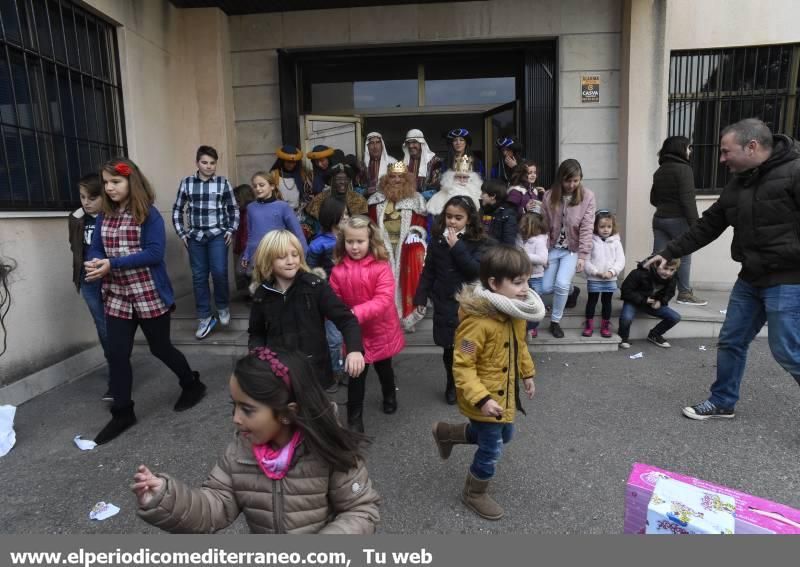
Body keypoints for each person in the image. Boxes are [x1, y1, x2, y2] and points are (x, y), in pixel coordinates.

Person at [646, 118, 800, 421]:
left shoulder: (795, 172)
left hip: (788, 279)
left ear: (752, 146)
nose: (722, 159)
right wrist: (669, 252)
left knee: (787, 350)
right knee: (731, 340)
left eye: (726, 151)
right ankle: (723, 401)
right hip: (750, 278)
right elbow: (708, 225)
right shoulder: (739, 182)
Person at [132, 348, 381, 534]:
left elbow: (361, 510)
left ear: (287, 413)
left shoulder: (328, 447)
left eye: (247, 409)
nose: (236, 419)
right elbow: (215, 506)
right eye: (234, 405)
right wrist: (166, 498)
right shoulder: (239, 453)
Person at [85, 158, 205, 445]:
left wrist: (110, 264)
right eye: (106, 183)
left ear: (131, 182)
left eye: (115, 182)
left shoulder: (148, 215)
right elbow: (95, 247)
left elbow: (153, 254)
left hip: (148, 294)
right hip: (117, 296)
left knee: (160, 348)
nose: (109, 188)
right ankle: (122, 412)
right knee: (117, 354)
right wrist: (93, 262)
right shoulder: (104, 215)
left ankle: (192, 384)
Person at [431, 245, 544, 520]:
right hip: (484, 400)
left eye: (526, 280)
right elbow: (463, 365)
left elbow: (520, 346)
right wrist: (482, 399)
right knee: (492, 446)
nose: (525, 288)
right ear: (493, 283)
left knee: (505, 435)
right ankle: (474, 493)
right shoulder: (477, 323)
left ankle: (446, 433)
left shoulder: (514, 312)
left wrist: (527, 374)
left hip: (504, 395)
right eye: (517, 282)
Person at [247, 230, 364, 392]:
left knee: (314, 415)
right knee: (286, 416)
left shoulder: (315, 286)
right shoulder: (262, 294)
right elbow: (256, 333)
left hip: (313, 371)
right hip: (278, 372)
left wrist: (354, 350)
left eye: (295, 255)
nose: (290, 261)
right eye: (282, 257)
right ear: (268, 260)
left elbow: (347, 320)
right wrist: (257, 356)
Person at [330, 216, 405, 433]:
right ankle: (355, 421)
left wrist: (352, 314)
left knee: (384, 369)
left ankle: (389, 395)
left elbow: (383, 300)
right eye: (350, 241)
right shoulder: (338, 271)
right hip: (356, 335)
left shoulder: (381, 267)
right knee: (356, 376)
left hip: (380, 330)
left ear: (370, 241)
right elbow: (334, 301)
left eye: (359, 242)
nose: (354, 247)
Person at [413, 196, 488, 404]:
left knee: (466, 345)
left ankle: (468, 380)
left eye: (458, 217)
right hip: (444, 300)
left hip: (467, 304)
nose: (452, 222)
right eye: (449, 217)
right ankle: (451, 382)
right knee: (448, 347)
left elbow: (475, 271)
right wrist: (421, 295)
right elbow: (429, 271)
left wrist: (457, 247)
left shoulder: (478, 241)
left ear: (469, 219)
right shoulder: (437, 240)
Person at [172, 145, 240, 340]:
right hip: (195, 237)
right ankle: (204, 317)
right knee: (199, 277)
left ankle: (222, 305)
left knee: (219, 271)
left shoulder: (222, 183)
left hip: (218, 234)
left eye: (212, 163)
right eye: (204, 162)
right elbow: (177, 210)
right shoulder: (186, 183)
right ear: (197, 163)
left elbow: (233, 209)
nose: (209, 166)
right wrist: (182, 234)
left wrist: (231, 230)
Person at [368, 161, 428, 330]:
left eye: (400, 177)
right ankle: (385, 316)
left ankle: (408, 314)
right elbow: (371, 224)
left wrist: (416, 232)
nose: (396, 180)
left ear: (407, 179)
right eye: (392, 177)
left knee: (414, 256)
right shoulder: (376, 200)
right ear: (386, 180)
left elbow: (421, 223)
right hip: (382, 243)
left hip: (406, 244)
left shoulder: (416, 199)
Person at [540, 159, 596, 338]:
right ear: (560, 179)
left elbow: (587, 228)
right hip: (553, 247)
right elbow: (544, 226)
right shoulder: (549, 196)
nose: (572, 185)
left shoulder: (587, 197)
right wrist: (544, 251)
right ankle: (573, 291)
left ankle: (555, 321)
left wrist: (583, 256)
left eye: (576, 180)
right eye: (568, 180)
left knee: (561, 284)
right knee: (546, 287)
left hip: (572, 249)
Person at [68, 173, 111, 401]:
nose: (86, 202)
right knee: (102, 324)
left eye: (92, 197)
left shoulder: (111, 217)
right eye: (83, 197)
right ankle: (116, 372)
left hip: (112, 276)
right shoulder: (75, 218)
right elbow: (75, 247)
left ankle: (120, 364)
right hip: (88, 279)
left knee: (117, 324)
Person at [650, 136, 707, 306]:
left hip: (659, 219)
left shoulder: (659, 171)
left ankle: (652, 290)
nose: (690, 151)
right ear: (680, 149)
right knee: (684, 256)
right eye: (688, 147)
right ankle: (684, 293)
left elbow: (653, 199)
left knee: (659, 257)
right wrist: (697, 226)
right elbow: (688, 200)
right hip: (679, 221)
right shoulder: (684, 170)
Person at [307, 198, 351, 393]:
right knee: (333, 338)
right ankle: (335, 371)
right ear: (332, 218)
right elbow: (310, 272)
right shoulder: (318, 244)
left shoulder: (351, 239)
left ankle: (350, 368)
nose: (348, 218)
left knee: (349, 334)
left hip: (351, 294)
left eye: (348, 215)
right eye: (344, 216)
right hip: (330, 297)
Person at [241, 170, 307, 275]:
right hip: (256, 256)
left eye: (261, 185)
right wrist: (246, 254)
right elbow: (250, 234)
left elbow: (298, 234)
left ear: (272, 186)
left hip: (277, 255)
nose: (258, 188)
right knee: (258, 289)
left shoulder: (283, 207)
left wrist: (303, 257)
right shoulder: (250, 208)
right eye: (255, 186)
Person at [618, 257, 681, 349]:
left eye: (672, 270)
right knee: (626, 318)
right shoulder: (639, 273)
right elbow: (626, 291)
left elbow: (670, 293)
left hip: (651, 304)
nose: (668, 273)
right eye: (665, 268)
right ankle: (623, 337)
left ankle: (654, 335)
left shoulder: (672, 277)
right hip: (633, 302)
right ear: (656, 265)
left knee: (675, 317)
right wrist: (643, 300)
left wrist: (661, 301)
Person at [583, 210, 625, 338]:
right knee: (592, 301)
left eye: (609, 226)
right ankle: (588, 325)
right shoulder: (591, 241)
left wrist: (612, 272)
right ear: (595, 226)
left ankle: (605, 326)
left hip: (610, 278)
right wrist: (596, 272)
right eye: (602, 227)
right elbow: (586, 260)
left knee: (607, 302)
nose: (606, 230)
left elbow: (621, 260)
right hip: (594, 278)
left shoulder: (616, 242)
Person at [305, 162, 369, 235]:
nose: (342, 182)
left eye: (346, 179)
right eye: (338, 179)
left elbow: (363, 225)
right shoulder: (319, 199)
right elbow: (310, 225)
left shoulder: (358, 200)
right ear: (331, 181)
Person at [518, 206, 549, 339]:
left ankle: (532, 326)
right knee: (523, 302)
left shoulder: (540, 241)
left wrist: (524, 255)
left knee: (535, 303)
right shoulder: (520, 239)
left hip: (535, 277)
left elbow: (542, 259)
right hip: (522, 276)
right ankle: (524, 324)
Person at [269, 145, 310, 217]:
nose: (291, 165)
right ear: (282, 161)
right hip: (280, 213)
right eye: (288, 162)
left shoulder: (302, 174)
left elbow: (306, 193)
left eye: (294, 162)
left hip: (298, 213)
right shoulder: (274, 175)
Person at [402, 129, 443, 194]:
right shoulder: (402, 163)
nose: (410, 146)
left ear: (421, 144)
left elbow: (436, 186)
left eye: (414, 142)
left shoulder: (436, 162)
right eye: (408, 143)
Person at [479, 179, 518, 246]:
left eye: (483, 193)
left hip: (497, 254)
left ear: (493, 196)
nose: (480, 196)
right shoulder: (482, 210)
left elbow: (508, 244)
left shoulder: (507, 214)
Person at [232, 183, 255, 294]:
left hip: (251, 249)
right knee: (242, 271)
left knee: (247, 271)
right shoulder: (241, 213)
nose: (235, 203)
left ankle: (253, 294)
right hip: (244, 248)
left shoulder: (250, 212)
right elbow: (239, 233)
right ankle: (250, 292)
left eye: (237, 200)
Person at [363, 132, 397, 197]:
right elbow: (358, 188)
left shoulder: (393, 162)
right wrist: (365, 191)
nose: (375, 146)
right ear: (367, 146)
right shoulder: (363, 164)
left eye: (378, 142)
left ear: (382, 145)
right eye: (372, 143)